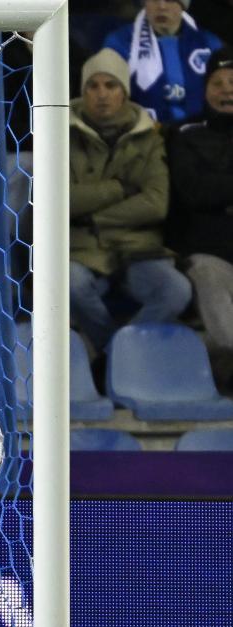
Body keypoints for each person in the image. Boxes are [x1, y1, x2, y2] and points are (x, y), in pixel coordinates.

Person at [69, 49, 191, 353]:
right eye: (92, 86)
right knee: (69, 284)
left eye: (110, 86)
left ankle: (116, 357)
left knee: (176, 290)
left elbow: (155, 202)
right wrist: (118, 189)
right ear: (82, 91)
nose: (101, 94)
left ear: (124, 92)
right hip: (82, 249)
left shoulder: (149, 137)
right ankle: (120, 356)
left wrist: (95, 216)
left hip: (137, 248)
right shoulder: (60, 134)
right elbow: (60, 201)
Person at [169, 49, 233, 383]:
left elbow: (210, 187)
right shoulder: (184, 133)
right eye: (218, 83)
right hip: (209, 251)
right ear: (205, 89)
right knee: (208, 272)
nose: (227, 90)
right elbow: (193, 191)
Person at [102, 0, 225, 124]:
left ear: (182, 6)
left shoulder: (209, 43)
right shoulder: (119, 43)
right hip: (141, 133)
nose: (161, 6)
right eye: (154, 0)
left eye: (169, 0)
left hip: (199, 133)